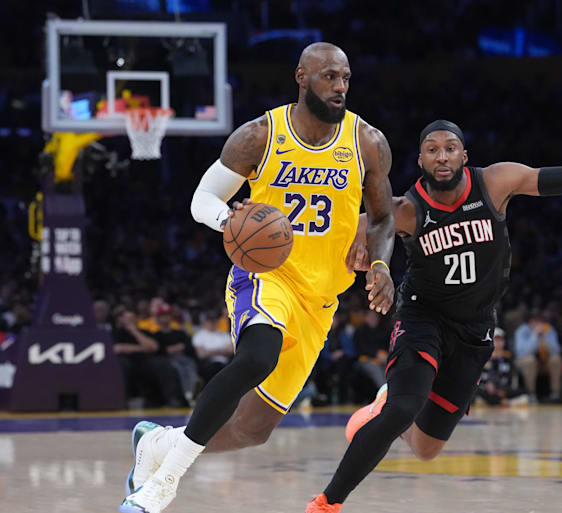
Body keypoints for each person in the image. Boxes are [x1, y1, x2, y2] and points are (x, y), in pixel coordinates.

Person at [305, 119, 562, 512]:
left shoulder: (497, 182)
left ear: (464, 156)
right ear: (421, 161)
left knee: (427, 448)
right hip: (423, 317)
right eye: (432, 150)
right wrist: (349, 252)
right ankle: (327, 501)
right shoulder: (408, 209)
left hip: (475, 328)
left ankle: (383, 409)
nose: (443, 156)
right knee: (405, 406)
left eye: (451, 147)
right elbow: (341, 233)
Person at [120, 42, 396, 513]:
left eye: (345, 78)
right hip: (266, 275)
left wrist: (379, 260)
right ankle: (163, 484)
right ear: (302, 76)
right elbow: (202, 198)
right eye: (329, 76)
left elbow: (384, 217)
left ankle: (161, 442)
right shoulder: (258, 136)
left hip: (321, 298)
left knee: (252, 431)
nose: (340, 87)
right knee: (256, 358)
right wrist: (229, 220)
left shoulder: (367, 141)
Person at [514, 310, 562, 401]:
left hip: (544, 361)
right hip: (525, 362)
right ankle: (531, 393)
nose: (537, 324)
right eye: (535, 320)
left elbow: (556, 350)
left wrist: (545, 337)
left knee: (556, 359)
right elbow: (522, 353)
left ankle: (555, 393)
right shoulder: (521, 331)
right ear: (529, 321)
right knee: (530, 360)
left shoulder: (549, 329)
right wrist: (535, 336)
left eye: (540, 321)